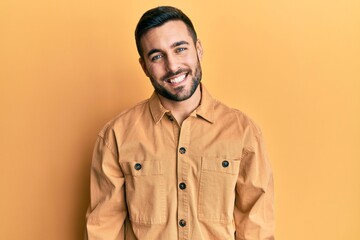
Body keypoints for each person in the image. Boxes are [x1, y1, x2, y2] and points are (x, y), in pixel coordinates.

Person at [84, 6, 274, 240]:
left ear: (198, 49)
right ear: (144, 66)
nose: (172, 66)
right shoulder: (116, 136)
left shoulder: (243, 132)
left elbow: (256, 229)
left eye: (180, 49)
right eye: (157, 56)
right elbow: (103, 230)